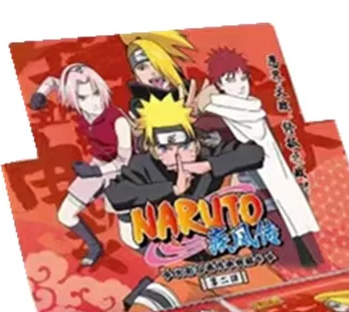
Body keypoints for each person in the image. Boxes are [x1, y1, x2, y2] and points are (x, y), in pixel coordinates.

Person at [194, 47, 320, 265]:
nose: (241, 85)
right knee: (277, 256)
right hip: (249, 197)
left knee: (302, 247)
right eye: (231, 79)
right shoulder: (213, 118)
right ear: (219, 85)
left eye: (243, 78)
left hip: (281, 188)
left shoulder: (254, 110)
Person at [29, 64, 133, 264]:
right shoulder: (78, 105)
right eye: (84, 97)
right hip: (98, 166)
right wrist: (40, 93)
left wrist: (95, 171)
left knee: (130, 238)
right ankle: (95, 247)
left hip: (125, 173)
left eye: (96, 93)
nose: (94, 102)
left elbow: (124, 161)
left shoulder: (118, 120)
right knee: (65, 215)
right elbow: (53, 81)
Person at [106, 94, 265, 220]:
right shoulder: (144, 164)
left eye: (184, 147)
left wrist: (209, 165)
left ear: (195, 144)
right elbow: (116, 195)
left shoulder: (207, 153)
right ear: (154, 149)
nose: (176, 155)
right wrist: (172, 189)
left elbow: (255, 153)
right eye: (165, 149)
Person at [121, 30, 194, 117]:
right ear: (136, 77)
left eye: (156, 64)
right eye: (142, 68)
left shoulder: (189, 91)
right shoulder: (139, 106)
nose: (153, 71)